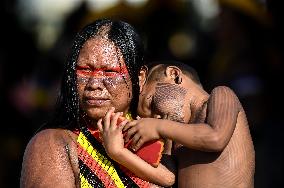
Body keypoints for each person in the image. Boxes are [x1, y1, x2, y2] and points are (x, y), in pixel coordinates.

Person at [20, 19, 175, 188]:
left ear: (140, 78)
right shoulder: (53, 143)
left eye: (110, 72)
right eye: (85, 70)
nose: (94, 84)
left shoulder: (155, 138)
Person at [123, 61, 255, 187]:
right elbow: (169, 178)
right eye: (151, 118)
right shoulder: (174, 136)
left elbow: (216, 138)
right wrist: (119, 153)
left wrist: (158, 127)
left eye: (151, 104)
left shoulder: (221, 94)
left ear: (174, 75)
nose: (155, 118)